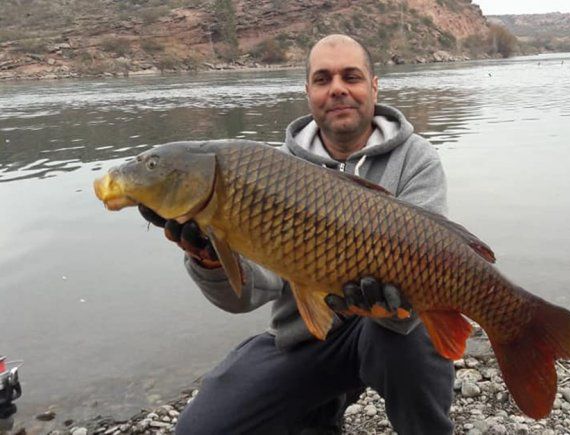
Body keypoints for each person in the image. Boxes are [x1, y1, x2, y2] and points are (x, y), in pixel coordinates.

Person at [141, 34, 455, 434]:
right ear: (308, 92)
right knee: (201, 429)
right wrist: (210, 258)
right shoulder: (275, 170)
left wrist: (396, 302)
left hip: (387, 329)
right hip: (303, 336)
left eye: (351, 76)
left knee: (413, 337)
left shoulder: (416, 158)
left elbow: (434, 263)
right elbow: (248, 294)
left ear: (374, 85)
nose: (337, 88)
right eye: (323, 79)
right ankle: (320, 413)